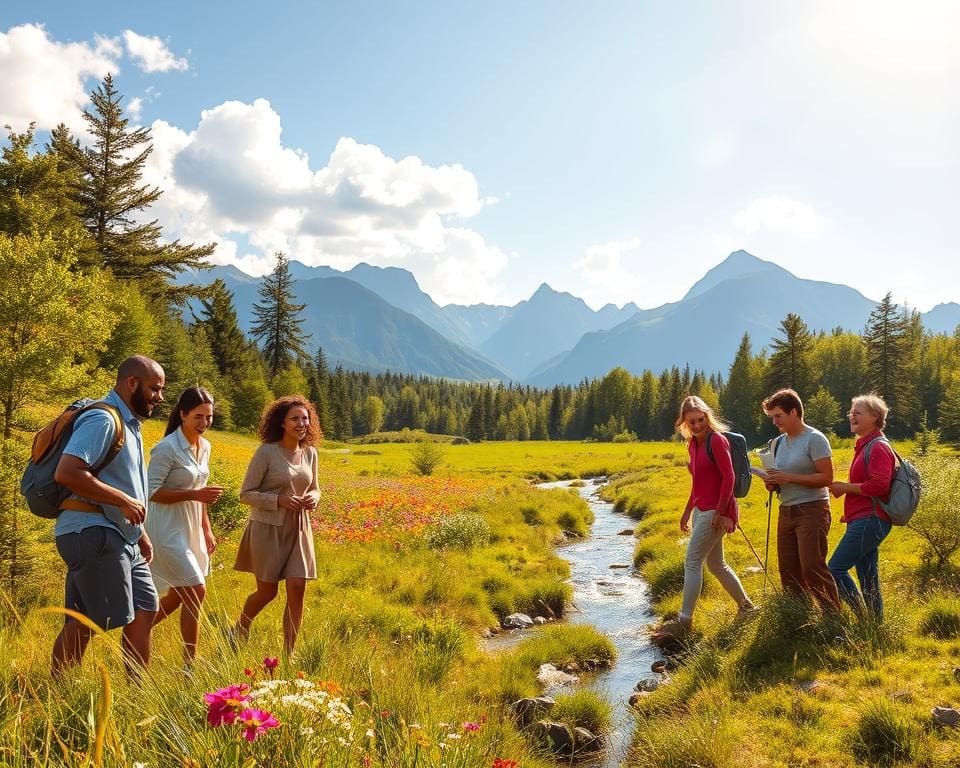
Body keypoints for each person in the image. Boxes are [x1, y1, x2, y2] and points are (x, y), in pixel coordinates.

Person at [51, 356, 165, 677]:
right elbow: (68, 471)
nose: (160, 396)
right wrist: (124, 501)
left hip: (121, 534)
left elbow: (120, 479)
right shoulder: (103, 419)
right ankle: (60, 690)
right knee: (90, 620)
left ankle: (139, 694)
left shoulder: (131, 423)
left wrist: (139, 531)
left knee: (145, 608)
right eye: (155, 389)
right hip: (92, 531)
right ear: (132, 383)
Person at [232, 396, 321, 655]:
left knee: (297, 587)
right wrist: (279, 500)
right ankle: (239, 628)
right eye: (295, 418)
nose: (301, 423)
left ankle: (288, 654)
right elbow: (246, 493)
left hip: (300, 529)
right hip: (267, 528)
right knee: (267, 591)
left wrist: (314, 497)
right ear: (281, 423)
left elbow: (315, 487)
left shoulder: (310, 453)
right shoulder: (267, 452)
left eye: (305, 418)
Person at [660, 396, 755, 636]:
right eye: (691, 422)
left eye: (701, 420)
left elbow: (729, 477)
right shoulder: (693, 444)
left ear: (707, 416)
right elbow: (698, 483)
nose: (697, 425)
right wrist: (686, 511)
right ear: (684, 423)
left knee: (692, 562)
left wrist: (722, 512)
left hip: (716, 512)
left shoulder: (717, 440)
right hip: (701, 511)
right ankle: (747, 607)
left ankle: (684, 621)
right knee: (716, 565)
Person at [146, 387, 224, 665]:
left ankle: (137, 631)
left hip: (191, 527)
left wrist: (206, 529)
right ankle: (190, 663)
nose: (204, 423)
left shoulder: (205, 447)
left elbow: (199, 489)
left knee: (181, 593)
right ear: (182, 415)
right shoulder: (166, 448)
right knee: (196, 589)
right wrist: (194, 495)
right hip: (165, 528)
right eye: (198, 417)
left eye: (209, 417)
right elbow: (151, 492)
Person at [762, 388, 841, 612]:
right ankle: (798, 616)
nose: (775, 422)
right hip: (785, 509)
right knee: (788, 569)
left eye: (778, 416)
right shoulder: (777, 443)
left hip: (812, 509)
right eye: (772, 417)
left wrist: (788, 477)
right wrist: (772, 482)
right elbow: (779, 475)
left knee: (811, 567)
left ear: (794, 412)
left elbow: (827, 478)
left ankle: (833, 617)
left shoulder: (814, 439)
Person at [828, 395, 895, 619]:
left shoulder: (878, 447)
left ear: (874, 417)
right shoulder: (867, 445)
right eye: (851, 412)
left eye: (857, 412)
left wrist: (845, 487)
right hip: (864, 519)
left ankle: (862, 618)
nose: (851, 415)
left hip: (870, 519)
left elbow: (879, 485)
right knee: (868, 575)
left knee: (834, 570)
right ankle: (875, 623)